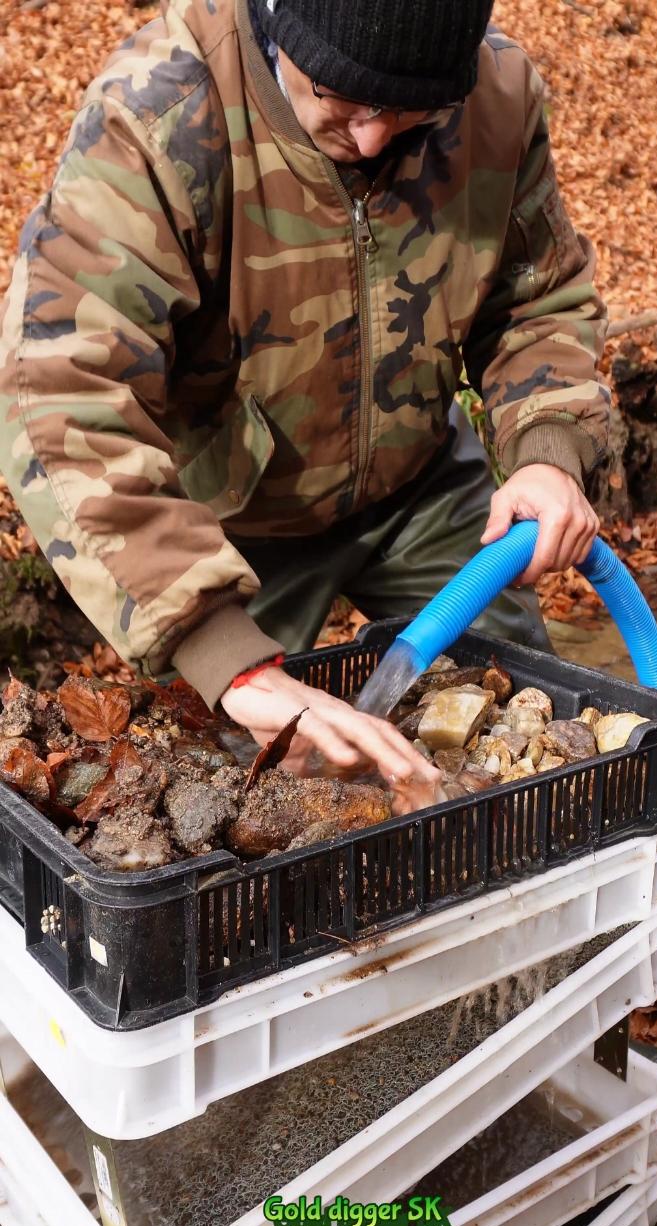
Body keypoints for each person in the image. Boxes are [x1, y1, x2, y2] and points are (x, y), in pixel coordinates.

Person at [0, 0, 607, 783]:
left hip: (418, 489)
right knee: (216, 794)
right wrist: (222, 654)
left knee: (522, 739)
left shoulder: (491, 93)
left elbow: (539, 297)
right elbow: (56, 391)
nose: (370, 140)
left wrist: (550, 448)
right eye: (340, 102)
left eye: (410, 114)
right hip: (218, 524)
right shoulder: (161, 114)